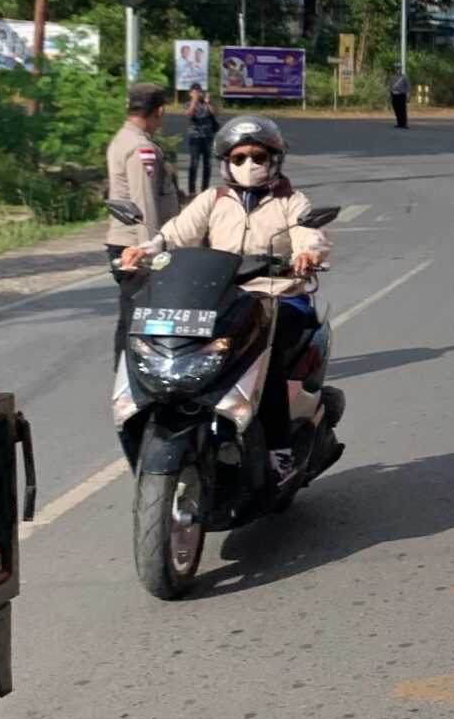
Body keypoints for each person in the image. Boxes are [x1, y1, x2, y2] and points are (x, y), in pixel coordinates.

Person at [117, 116, 330, 469]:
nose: (249, 165)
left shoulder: (291, 201)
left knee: (267, 353)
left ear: (273, 159)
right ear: (226, 162)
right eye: (239, 157)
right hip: (225, 297)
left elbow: (310, 234)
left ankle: (280, 451)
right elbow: (175, 234)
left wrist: (307, 253)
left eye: (258, 157)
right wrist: (146, 250)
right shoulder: (212, 200)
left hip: (277, 297)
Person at [104, 84, 179, 351]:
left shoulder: (124, 138)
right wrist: (150, 253)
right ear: (159, 111)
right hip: (136, 245)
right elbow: (143, 201)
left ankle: (128, 378)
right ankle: (129, 381)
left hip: (129, 243)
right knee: (138, 317)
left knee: (134, 315)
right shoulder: (140, 148)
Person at [182, 87, 220, 197]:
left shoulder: (207, 104)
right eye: (196, 92)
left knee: (208, 164)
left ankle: (205, 188)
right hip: (195, 137)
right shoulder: (188, 103)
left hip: (208, 136)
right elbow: (189, 114)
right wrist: (194, 100)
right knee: (194, 163)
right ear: (190, 93)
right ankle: (191, 190)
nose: (199, 94)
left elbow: (216, 113)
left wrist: (208, 102)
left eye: (200, 92)